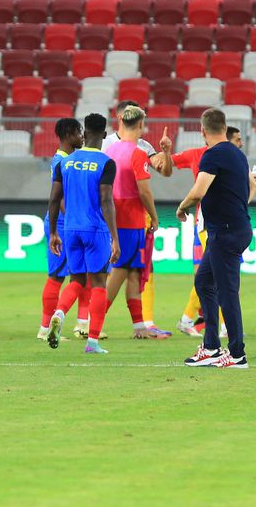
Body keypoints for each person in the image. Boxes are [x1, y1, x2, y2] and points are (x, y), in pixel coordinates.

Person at [179, 108, 255, 369]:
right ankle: (211, 347)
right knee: (204, 282)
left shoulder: (212, 155)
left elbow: (198, 191)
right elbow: (251, 186)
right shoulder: (237, 154)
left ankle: (237, 354)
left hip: (225, 232)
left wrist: (182, 207)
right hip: (229, 229)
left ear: (202, 131)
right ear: (224, 127)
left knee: (227, 293)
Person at [45, 113, 119, 354]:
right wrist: (115, 238)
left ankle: (59, 313)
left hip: (70, 229)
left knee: (76, 280)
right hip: (95, 229)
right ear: (104, 135)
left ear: (85, 133)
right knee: (98, 283)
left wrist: (54, 231)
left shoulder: (65, 162)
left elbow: (54, 199)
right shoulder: (106, 163)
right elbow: (106, 200)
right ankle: (93, 342)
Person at [105, 100, 173, 337]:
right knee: (120, 270)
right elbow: (144, 191)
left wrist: (166, 153)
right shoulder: (135, 152)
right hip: (130, 217)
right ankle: (93, 323)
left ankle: (139, 327)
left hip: (119, 214)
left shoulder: (113, 150)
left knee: (134, 271)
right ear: (141, 123)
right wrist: (154, 216)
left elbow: (165, 170)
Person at [37, 117, 87, 342]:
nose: (81, 137)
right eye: (78, 132)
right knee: (57, 276)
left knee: (81, 275)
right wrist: (75, 220)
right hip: (62, 224)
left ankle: (81, 323)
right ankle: (44, 328)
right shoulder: (62, 161)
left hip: (68, 223)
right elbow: (61, 198)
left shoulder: (68, 159)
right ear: (68, 135)